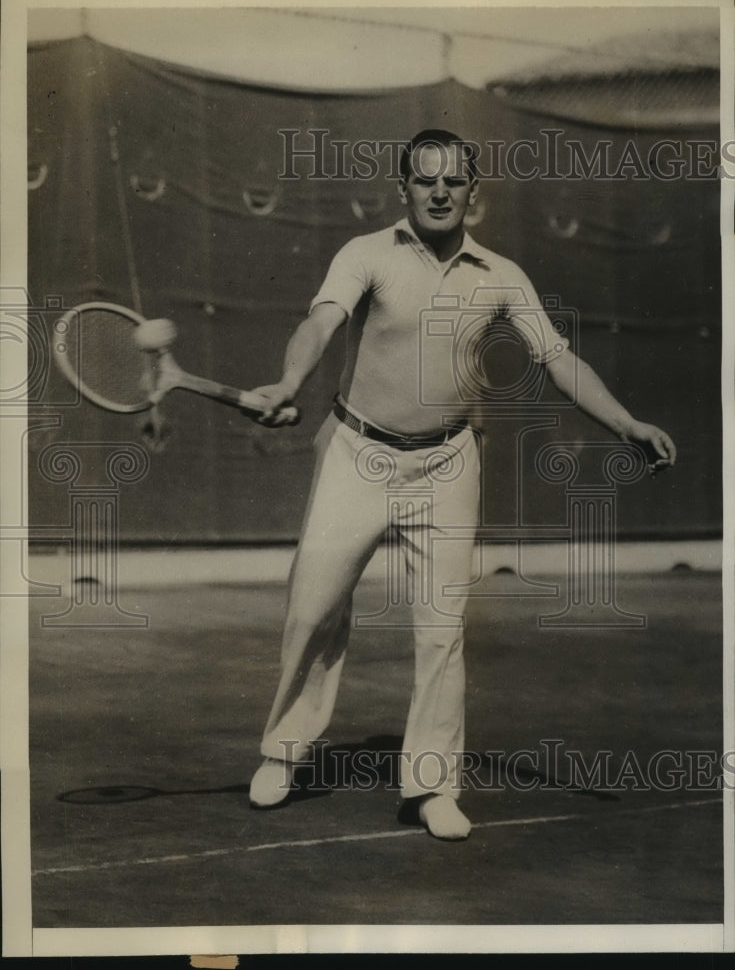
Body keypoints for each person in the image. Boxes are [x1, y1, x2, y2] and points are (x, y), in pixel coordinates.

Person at [248, 129, 676, 840]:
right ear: (403, 189)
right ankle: (284, 752)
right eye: (424, 180)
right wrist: (291, 380)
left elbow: (557, 358)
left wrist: (624, 422)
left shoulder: (500, 274)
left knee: (441, 630)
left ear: (473, 193)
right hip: (357, 454)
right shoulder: (364, 255)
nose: (439, 192)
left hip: (448, 464)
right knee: (311, 609)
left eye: (453, 182)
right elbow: (317, 323)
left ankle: (430, 788)